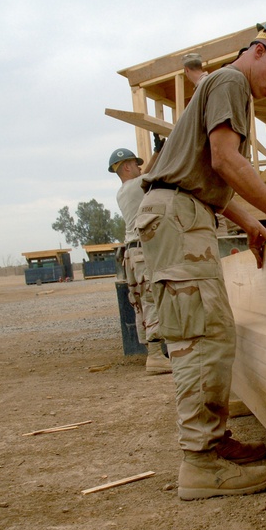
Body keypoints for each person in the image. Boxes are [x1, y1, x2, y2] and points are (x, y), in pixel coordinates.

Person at [136, 19, 266, 500]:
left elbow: (205, 175)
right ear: (259, 50)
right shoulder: (232, 82)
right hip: (178, 215)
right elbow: (225, 160)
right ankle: (201, 462)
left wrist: (250, 223)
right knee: (204, 334)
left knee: (207, 329)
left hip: (184, 210)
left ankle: (211, 443)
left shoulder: (222, 84)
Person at [109, 147, 170, 375]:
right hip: (142, 253)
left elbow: (146, 173)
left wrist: (156, 153)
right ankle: (156, 356)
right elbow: (153, 173)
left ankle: (153, 353)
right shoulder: (135, 186)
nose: (140, 167)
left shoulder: (123, 191)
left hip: (132, 254)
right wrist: (161, 152)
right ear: (127, 166)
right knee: (151, 299)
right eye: (136, 164)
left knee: (142, 303)